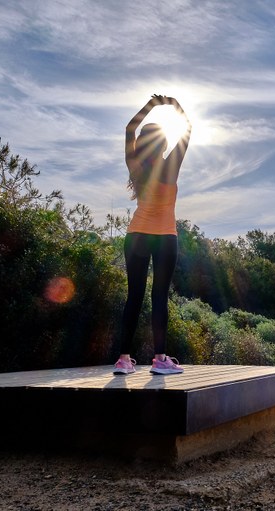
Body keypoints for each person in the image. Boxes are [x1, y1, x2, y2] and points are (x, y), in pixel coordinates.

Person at [113, 95, 192, 375]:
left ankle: (124, 360)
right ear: (163, 144)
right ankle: (160, 360)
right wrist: (174, 105)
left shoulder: (136, 167)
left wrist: (151, 106)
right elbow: (188, 129)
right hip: (165, 238)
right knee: (159, 297)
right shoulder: (170, 166)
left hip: (136, 236)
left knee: (134, 296)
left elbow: (128, 130)